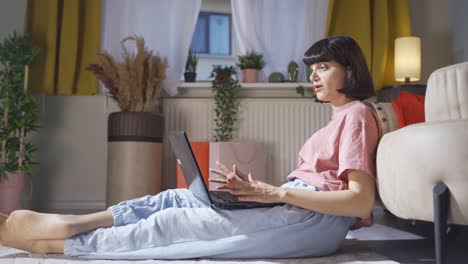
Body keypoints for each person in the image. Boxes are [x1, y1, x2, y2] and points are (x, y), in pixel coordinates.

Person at [0, 36, 380, 259]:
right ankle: (77, 223)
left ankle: (59, 244)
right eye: (311, 69)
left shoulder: (357, 114)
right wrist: (263, 193)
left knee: (175, 224)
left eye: (323, 67)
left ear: (349, 70)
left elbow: (360, 201)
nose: (313, 76)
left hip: (315, 220)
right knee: (174, 199)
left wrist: (276, 192)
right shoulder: (338, 116)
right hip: (298, 205)